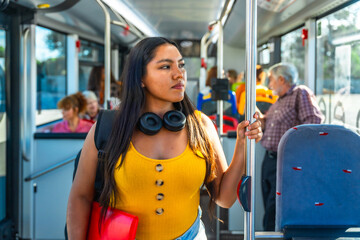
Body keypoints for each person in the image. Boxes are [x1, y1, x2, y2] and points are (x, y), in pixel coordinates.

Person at [66, 37, 263, 239]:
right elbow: (80, 197)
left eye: (181, 65)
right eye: (165, 67)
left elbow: (224, 198)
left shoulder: (200, 125)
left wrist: (242, 144)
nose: (179, 74)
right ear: (140, 77)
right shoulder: (109, 127)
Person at [258, 62, 324, 231]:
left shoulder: (300, 94)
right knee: (268, 201)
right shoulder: (279, 101)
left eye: (271, 80)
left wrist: (293, 148)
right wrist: (262, 120)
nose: (269, 84)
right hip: (270, 159)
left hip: (287, 160)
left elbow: (313, 122)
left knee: (276, 208)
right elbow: (272, 125)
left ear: (281, 79)